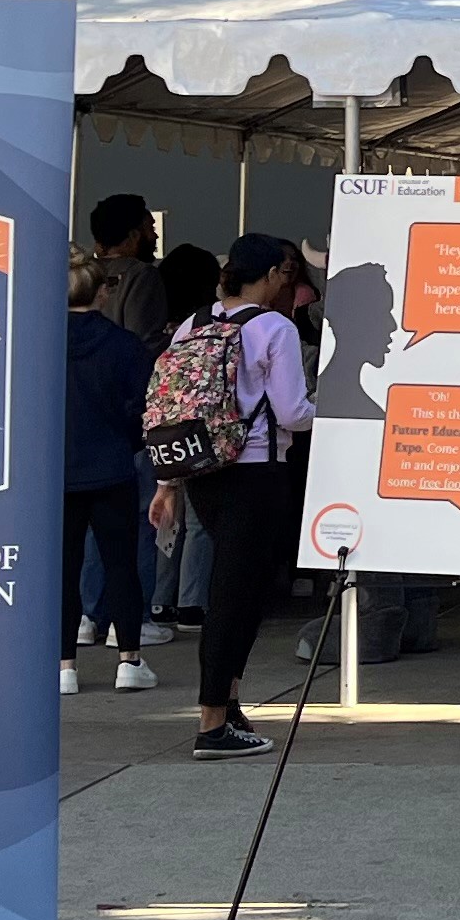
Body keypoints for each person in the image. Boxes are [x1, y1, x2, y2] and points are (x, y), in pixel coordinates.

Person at [150, 233, 315, 758]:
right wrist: (328, 411)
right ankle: (213, 722)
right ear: (269, 275)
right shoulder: (274, 328)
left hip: (202, 472)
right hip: (256, 470)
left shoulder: (192, 325)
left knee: (234, 590)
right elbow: (291, 413)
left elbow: (177, 408)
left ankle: (231, 703)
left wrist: (167, 484)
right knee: (234, 597)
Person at [61, 255, 158, 693]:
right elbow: (142, 409)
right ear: (102, 292)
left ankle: (65, 666)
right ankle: (129, 660)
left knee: (63, 569)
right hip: (113, 465)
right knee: (122, 564)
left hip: (58, 470)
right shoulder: (124, 345)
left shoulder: (37, 343)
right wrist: (126, 442)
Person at [145, 241, 219, 629]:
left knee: (165, 518)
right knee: (198, 522)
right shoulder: (209, 326)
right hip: (198, 433)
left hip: (160, 431)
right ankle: (191, 602)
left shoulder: (162, 331)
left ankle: (159, 599)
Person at [82, 193, 169, 344]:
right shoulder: (142, 276)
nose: (155, 236)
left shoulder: (81, 275)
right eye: (151, 228)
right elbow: (146, 341)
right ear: (134, 235)